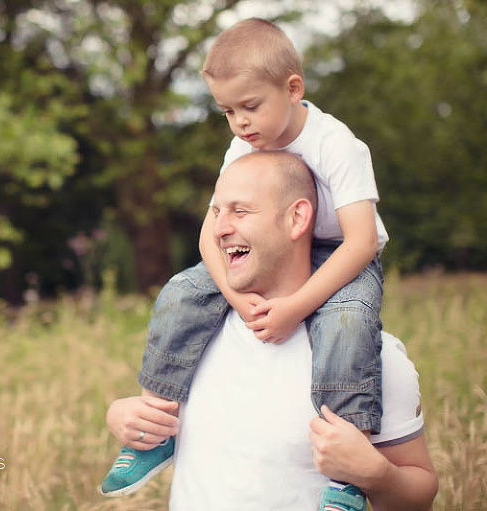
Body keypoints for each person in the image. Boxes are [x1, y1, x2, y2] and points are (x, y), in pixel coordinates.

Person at [100, 18, 389, 510]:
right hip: (261, 253)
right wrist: (234, 295)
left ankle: (347, 474)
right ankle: (159, 423)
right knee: (180, 292)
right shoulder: (243, 147)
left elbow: (361, 242)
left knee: (347, 323)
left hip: (341, 258)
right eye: (227, 111)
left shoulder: (337, 144)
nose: (240, 123)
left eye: (250, 106)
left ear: (293, 88)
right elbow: (209, 231)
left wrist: (297, 306)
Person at [105, 151, 438, 510]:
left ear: (297, 219)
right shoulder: (192, 336)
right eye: (217, 211)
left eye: (241, 210)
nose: (219, 229)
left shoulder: (369, 355)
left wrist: (376, 475)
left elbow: (419, 494)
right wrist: (123, 417)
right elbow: (156, 418)